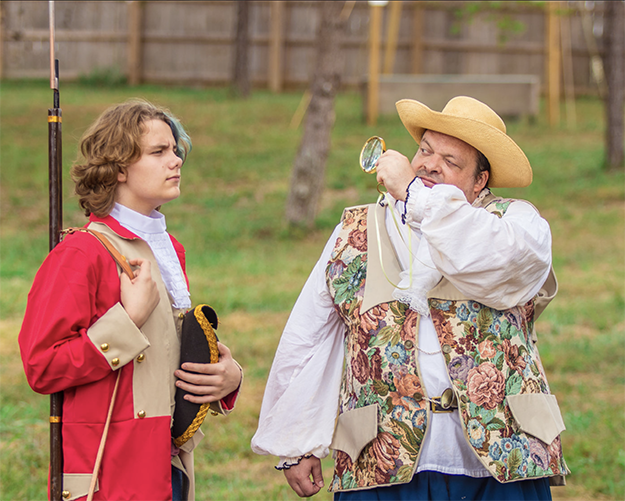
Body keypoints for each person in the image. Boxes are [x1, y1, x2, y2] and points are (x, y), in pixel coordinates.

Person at [251, 96, 569, 500]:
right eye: (424, 150)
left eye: (450, 161)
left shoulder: (517, 225)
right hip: (382, 464)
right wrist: (296, 443)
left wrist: (414, 195)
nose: (429, 165)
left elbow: (490, 258)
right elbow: (309, 335)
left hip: (504, 463)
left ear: (480, 181)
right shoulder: (357, 230)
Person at [19, 99, 242, 501]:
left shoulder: (169, 248)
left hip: (166, 465)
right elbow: (42, 366)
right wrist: (128, 320)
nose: (175, 160)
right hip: (111, 475)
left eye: (175, 150)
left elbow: (165, 357)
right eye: (158, 152)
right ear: (118, 167)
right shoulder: (80, 253)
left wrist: (227, 377)